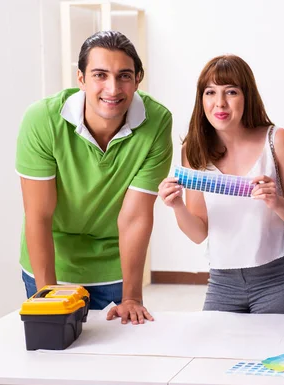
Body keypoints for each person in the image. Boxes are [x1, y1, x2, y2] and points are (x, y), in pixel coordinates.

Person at [16, 31, 173, 324]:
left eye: (124, 76)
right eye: (100, 75)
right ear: (81, 78)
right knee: (54, 357)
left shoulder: (157, 121)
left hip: (114, 267)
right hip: (54, 264)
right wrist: (48, 299)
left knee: (118, 362)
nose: (112, 89)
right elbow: (38, 216)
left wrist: (131, 297)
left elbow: (135, 217)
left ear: (138, 78)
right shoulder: (42, 120)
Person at [158, 55, 284, 314]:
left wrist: (276, 202)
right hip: (222, 283)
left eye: (231, 91)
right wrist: (177, 206)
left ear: (247, 96)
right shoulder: (194, 150)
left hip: (278, 279)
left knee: (275, 353)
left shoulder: (276, 141)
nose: (220, 103)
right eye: (210, 92)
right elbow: (199, 233)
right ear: (201, 99)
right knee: (215, 353)